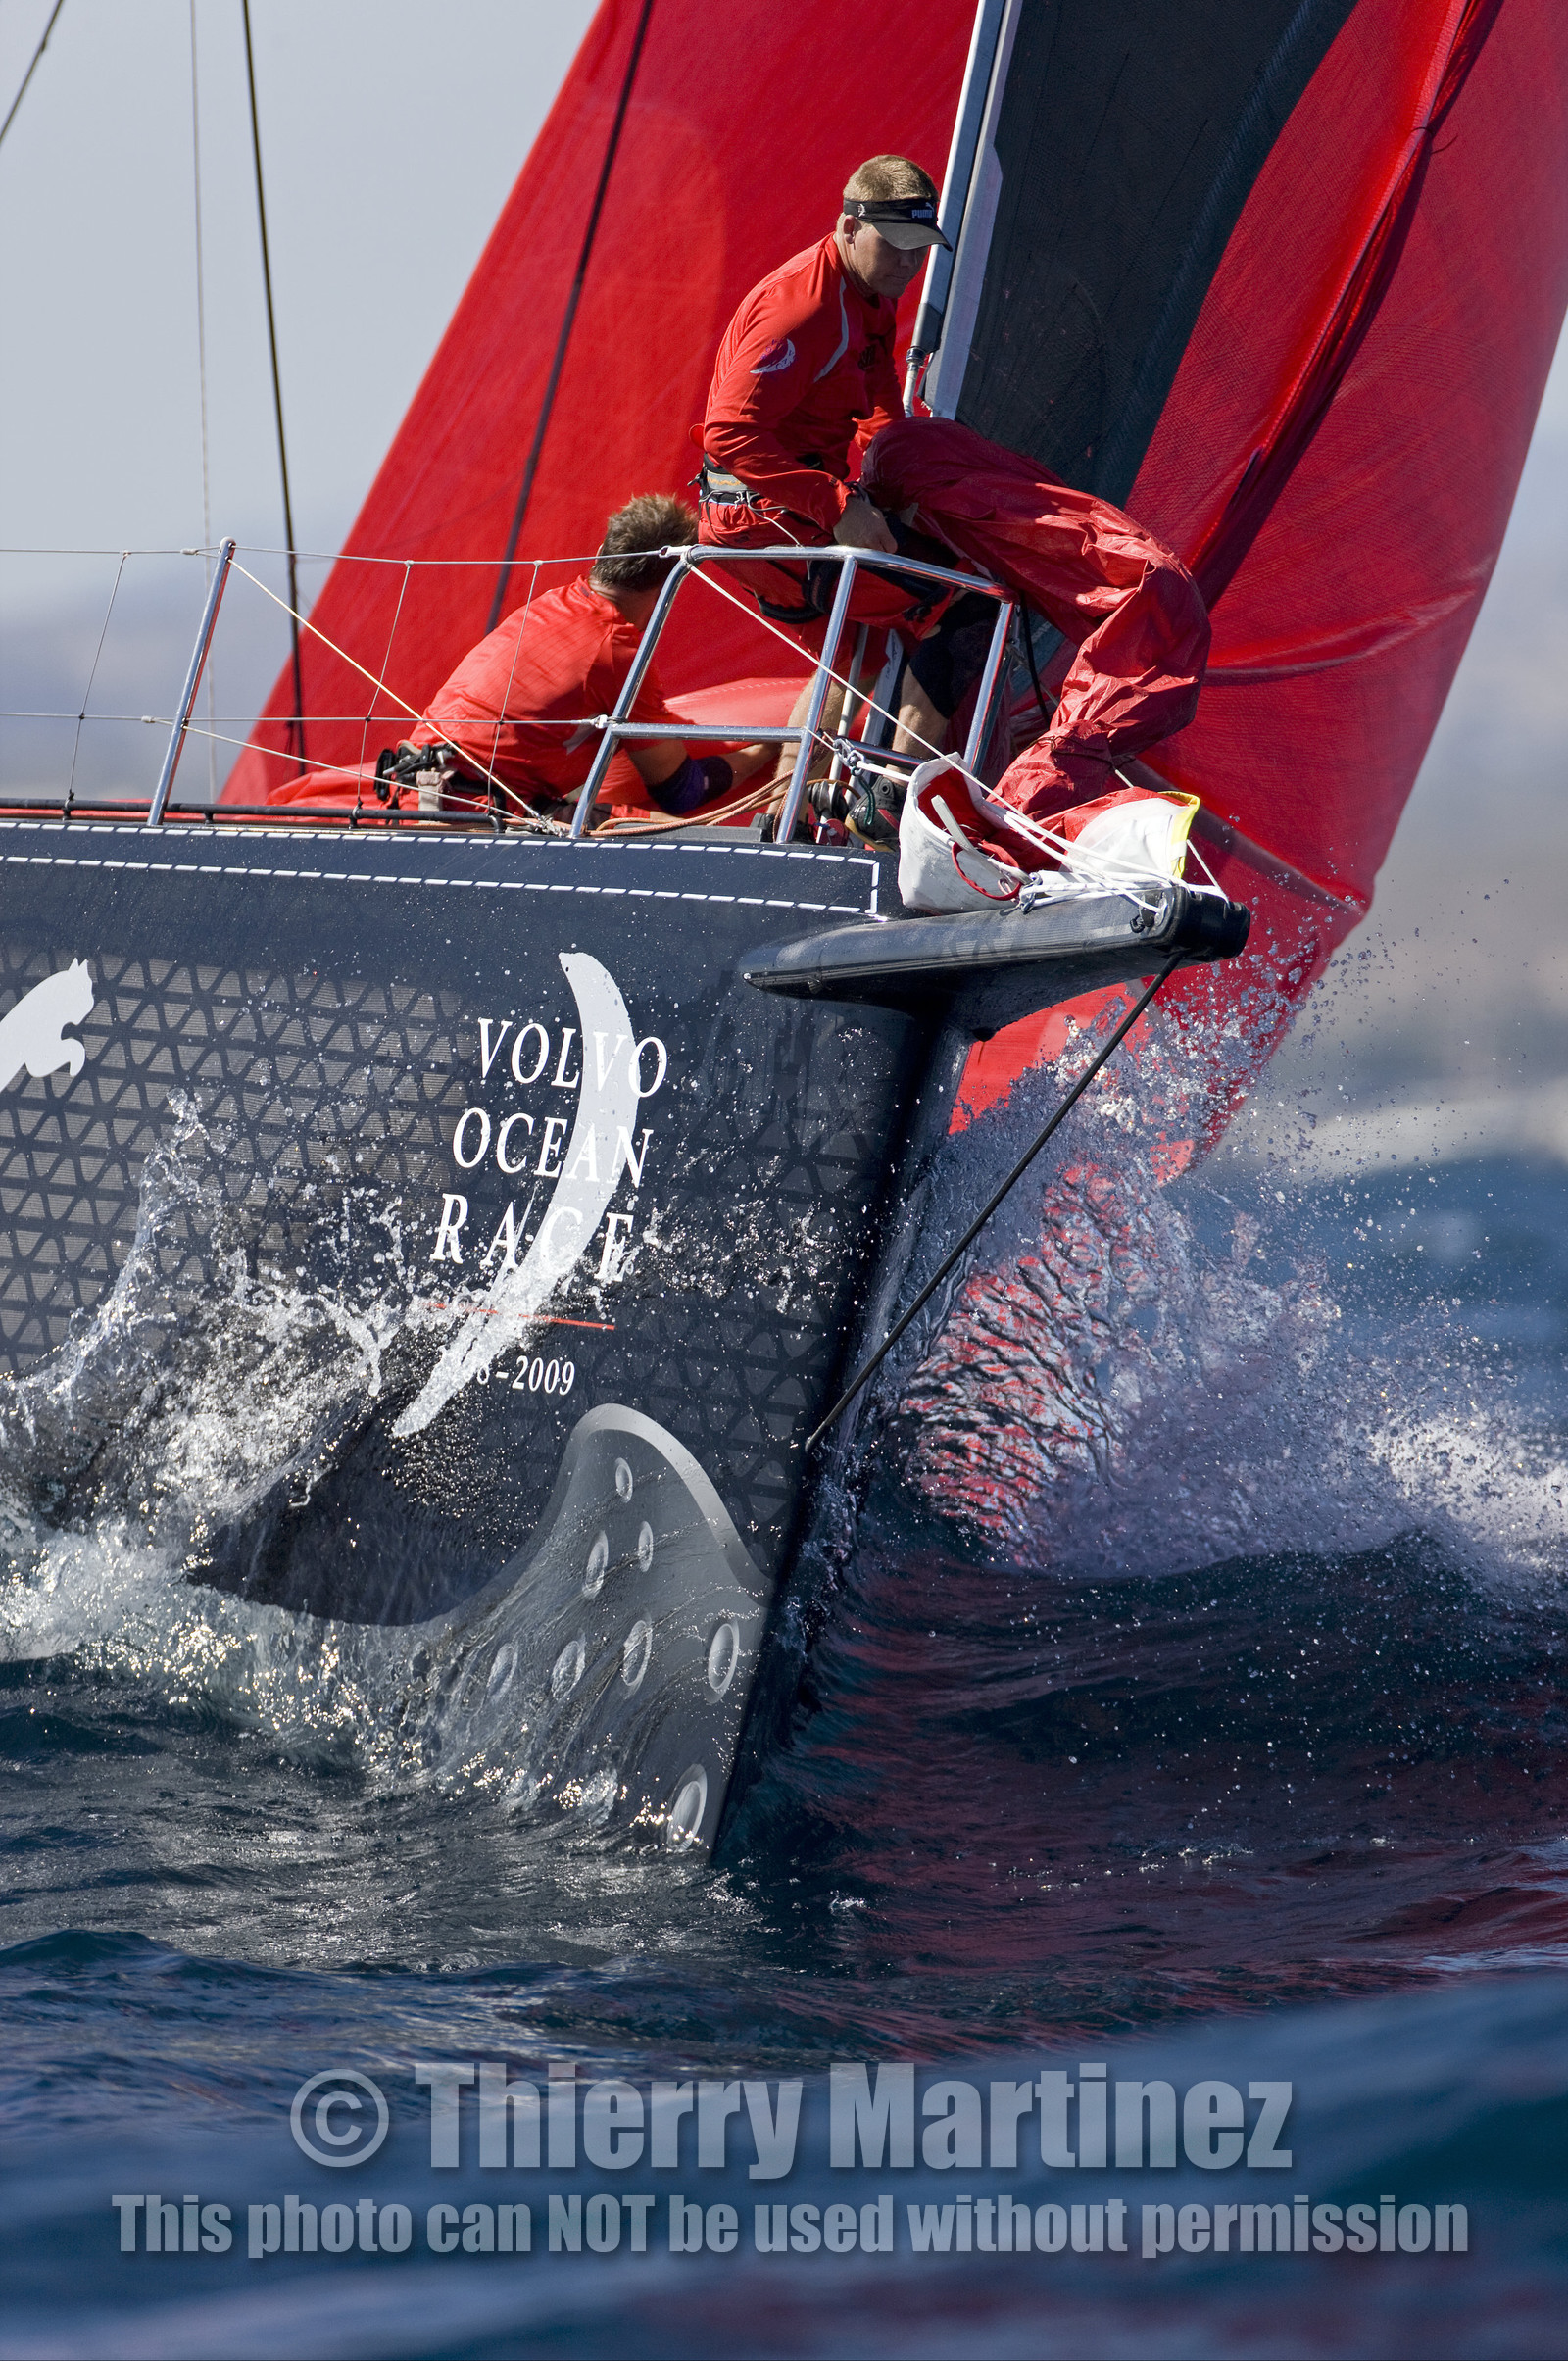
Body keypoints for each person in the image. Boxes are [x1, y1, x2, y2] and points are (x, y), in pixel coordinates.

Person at [700, 155, 995, 770]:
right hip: (761, 518)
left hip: (782, 512)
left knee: (846, 655)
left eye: (922, 250)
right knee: (968, 608)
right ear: (850, 226)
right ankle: (891, 799)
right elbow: (728, 435)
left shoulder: (871, 292)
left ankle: (792, 815)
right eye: (897, 247)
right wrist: (838, 506)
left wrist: (917, 479)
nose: (911, 265)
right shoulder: (802, 311)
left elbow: (880, 403)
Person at [275, 496, 770, 823]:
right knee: (672, 838)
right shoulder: (617, 651)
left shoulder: (552, 602)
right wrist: (775, 753)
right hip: (470, 817)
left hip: (411, 786)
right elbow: (682, 791)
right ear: (672, 584)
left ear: (602, 552)